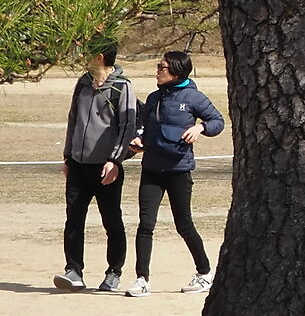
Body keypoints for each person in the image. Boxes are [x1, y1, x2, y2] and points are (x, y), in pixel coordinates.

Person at [124, 48, 222, 298]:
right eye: (158, 66)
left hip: (179, 170)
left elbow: (217, 121)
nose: (157, 71)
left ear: (177, 71)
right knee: (145, 224)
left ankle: (204, 273)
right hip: (152, 169)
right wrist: (139, 141)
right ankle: (141, 279)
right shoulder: (154, 98)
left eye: (162, 67)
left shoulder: (194, 97)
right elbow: (147, 129)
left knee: (184, 224)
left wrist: (200, 128)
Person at [54, 39, 137, 292]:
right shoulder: (82, 83)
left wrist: (115, 160)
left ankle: (114, 272)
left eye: (88, 52)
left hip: (106, 168)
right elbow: (73, 120)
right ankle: (73, 270)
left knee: (111, 221)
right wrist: (68, 155)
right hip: (78, 165)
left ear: (100, 56)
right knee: (74, 219)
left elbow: (127, 127)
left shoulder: (122, 87)